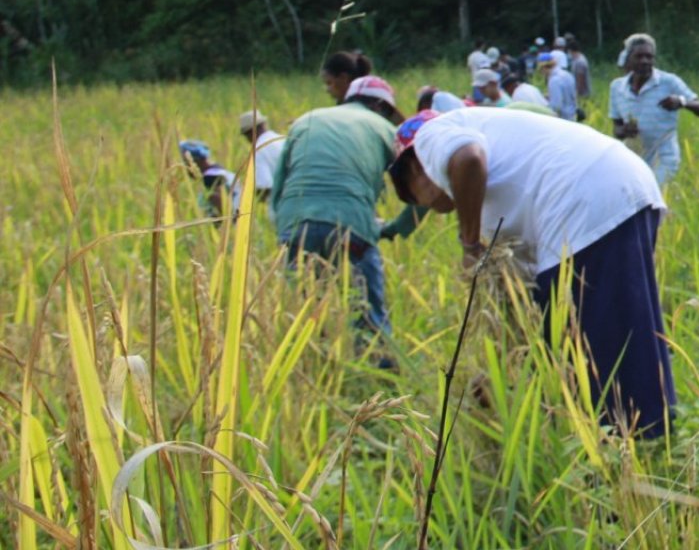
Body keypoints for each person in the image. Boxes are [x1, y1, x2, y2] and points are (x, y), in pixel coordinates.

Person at [387, 107, 677, 438]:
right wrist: (499, 365)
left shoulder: (430, 135)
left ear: (413, 168)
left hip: (582, 198)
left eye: (412, 195)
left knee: (583, 345)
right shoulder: (495, 196)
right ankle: (647, 439)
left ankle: (620, 450)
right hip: (623, 185)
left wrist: (469, 247)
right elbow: (529, 300)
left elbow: (467, 158)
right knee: (619, 329)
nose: (424, 207)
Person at [271, 75, 404, 343]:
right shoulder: (386, 129)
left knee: (307, 312)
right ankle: (380, 373)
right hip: (351, 224)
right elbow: (423, 187)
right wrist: (397, 228)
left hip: (294, 223)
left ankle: (315, 367)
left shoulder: (306, 119)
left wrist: (286, 232)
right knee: (367, 313)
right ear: (382, 107)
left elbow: (278, 187)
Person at [609, 33, 699, 185]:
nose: (645, 61)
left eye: (649, 57)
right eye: (639, 56)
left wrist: (682, 102)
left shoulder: (668, 82)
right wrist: (624, 130)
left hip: (664, 158)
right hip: (634, 158)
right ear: (628, 59)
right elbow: (616, 128)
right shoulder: (617, 87)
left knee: (655, 195)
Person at [179, 140, 237, 219]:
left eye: (186, 163)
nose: (185, 167)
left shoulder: (211, 178)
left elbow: (225, 211)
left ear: (196, 161)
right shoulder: (221, 172)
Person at [238, 110, 286, 202]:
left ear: (248, 133)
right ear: (264, 124)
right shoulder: (285, 139)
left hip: (285, 205)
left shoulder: (258, 151)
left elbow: (264, 188)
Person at [540, 52, 579, 121]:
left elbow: (556, 105)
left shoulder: (554, 80)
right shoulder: (567, 74)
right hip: (572, 114)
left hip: (563, 118)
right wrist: (550, 96)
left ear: (544, 68)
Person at [565, 33, 592, 99]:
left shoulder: (580, 62)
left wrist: (577, 94)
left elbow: (581, 79)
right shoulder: (575, 60)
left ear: (571, 50)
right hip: (578, 91)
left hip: (582, 94)